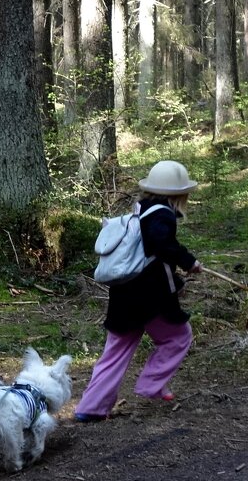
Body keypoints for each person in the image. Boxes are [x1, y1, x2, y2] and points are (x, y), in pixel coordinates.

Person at [75, 160, 202, 422]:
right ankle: (151, 385)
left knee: (116, 350)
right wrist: (188, 262)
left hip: (124, 294)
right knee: (178, 337)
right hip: (151, 297)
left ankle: (91, 407)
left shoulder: (141, 210)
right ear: (178, 194)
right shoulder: (161, 215)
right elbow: (160, 244)